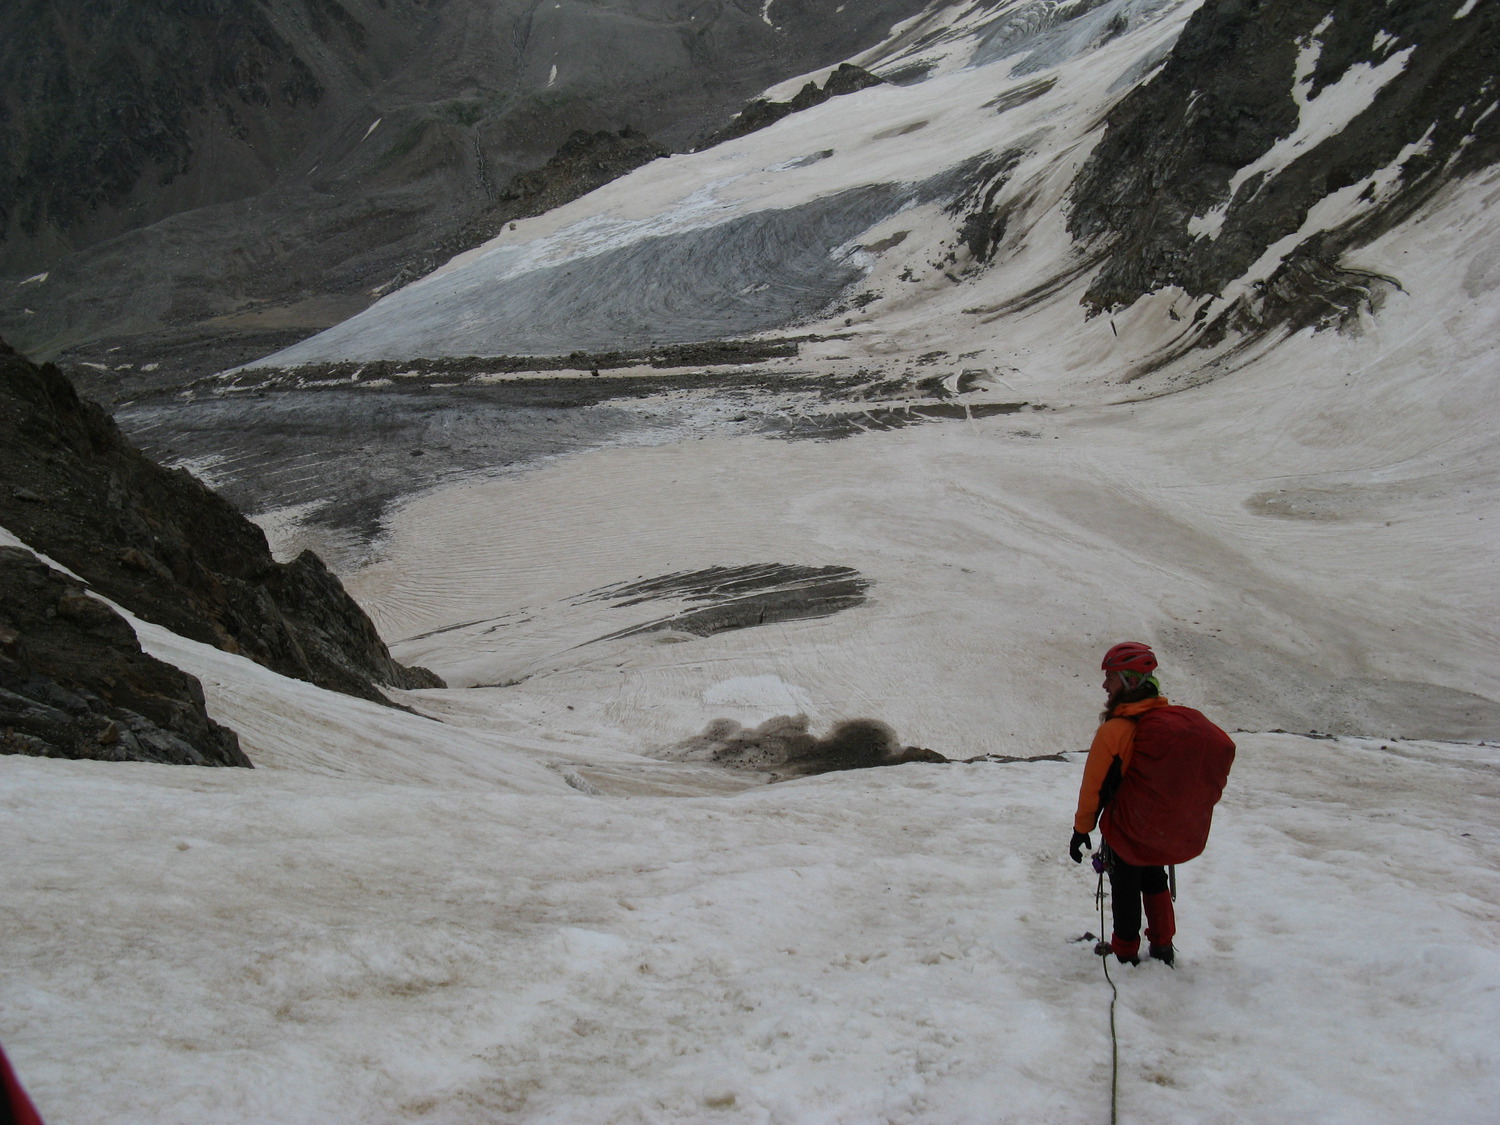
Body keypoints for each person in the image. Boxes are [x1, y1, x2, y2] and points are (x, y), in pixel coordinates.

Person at [1069, 641, 1235, 965]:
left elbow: (1095, 787)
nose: (1105, 685)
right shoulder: (1164, 721)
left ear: (1130, 682)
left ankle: (1125, 953)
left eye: (1111, 678)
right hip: (1158, 827)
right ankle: (1162, 947)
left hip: (1127, 828)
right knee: (1154, 878)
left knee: (1125, 885)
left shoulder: (1116, 730)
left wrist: (1081, 829)